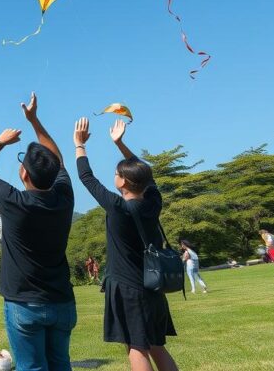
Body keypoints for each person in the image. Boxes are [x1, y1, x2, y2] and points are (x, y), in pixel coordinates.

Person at [0, 93, 76, 371]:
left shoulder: (14, 202)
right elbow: (59, 161)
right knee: (60, 365)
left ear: (24, 174)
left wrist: (0, 142)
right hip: (62, 300)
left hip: (24, 304)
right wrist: (35, 121)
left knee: (31, 367)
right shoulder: (64, 197)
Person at [74, 117, 179, 371]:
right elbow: (147, 174)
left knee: (136, 346)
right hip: (153, 286)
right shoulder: (153, 201)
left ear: (122, 182)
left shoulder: (118, 207)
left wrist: (80, 145)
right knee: (155, 345)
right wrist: (120, 144)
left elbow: (87, 177)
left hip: (128, 289)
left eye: (116, 174)